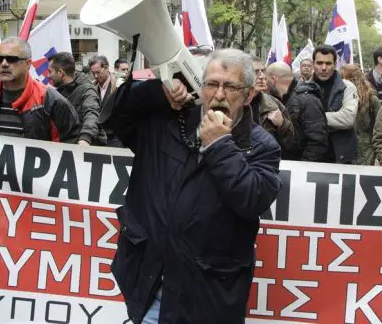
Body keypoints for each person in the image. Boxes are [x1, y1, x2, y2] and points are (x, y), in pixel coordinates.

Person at [107, 48, 281, 323]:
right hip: (150, 282)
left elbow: (252, 199)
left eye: (230, 87)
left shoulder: (261, 146)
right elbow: (113, 116)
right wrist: (157, 92)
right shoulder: (167, 119)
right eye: (211, 84)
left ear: (248, 95)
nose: (219, 95)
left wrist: (220, 146)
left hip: (206, 294)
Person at [0, 37, 79, 142]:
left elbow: (68, 147)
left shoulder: (50, 100)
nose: (4, 64)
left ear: (28, 64)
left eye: (11, 59)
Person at [266, 61, 328, 161]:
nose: (265, 83)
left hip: (299, 167)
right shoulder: (276, 99)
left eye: (266, 79)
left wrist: (301, 169)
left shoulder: (308, 101)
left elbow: (317, 142)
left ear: (273, 79)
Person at [48, 52, 107, 146]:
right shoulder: (56, 93)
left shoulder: (87, 90)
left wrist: (86, 138)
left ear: (60, 72)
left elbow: (92, 112)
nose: (48, 76)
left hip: (87, 149)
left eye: (50, 71)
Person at [312, 44, 358, 164]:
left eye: (328, 63)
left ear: (335, 64)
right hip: (311, 156)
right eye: (319, 63)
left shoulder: (347, 87)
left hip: (341, 157)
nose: (323, 68)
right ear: (313, 64)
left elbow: (348, 118)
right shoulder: (302, 88)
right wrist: (333, 120)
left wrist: (313, 118)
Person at [250, 57, 295, 152]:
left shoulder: (274, 104)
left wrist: (282, 125)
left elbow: (290, 143)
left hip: (266, 161)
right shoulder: (232, 104)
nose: (262, 76)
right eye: (256, 72)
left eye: (263, 71)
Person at [341, 63, 380, 165]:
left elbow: (380, 132)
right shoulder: (338, 99)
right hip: (343, 155)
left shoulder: (372, 101)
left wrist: (378, 157)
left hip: (367, 157)